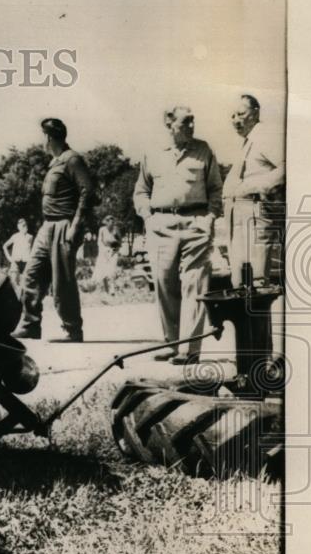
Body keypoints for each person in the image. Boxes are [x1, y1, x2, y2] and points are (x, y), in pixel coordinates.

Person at [133, 106, 223, 365]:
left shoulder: (204, 150)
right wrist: (148, 217)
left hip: (196, 223)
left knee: (195, 284)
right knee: (164, 283)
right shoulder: (152, 153)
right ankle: (173, 344)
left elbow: (216, 188)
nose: (192, 126)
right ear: (169, 123)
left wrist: (210, 217)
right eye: (186, 122)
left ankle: (189, 350)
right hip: (161, 224)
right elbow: (141, 191)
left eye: (193, 121)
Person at [12, 118, 95, 342]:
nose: (41, 140)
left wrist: (76, 225)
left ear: (49, 137)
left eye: (42, 136)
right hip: (47, 226)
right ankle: (30, 324)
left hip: (64, 225)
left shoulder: (72, 159)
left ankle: (72, 329)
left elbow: (88, 191)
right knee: (31, 274)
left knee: (62, 281)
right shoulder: (54, 163)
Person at [224, 94, 285, 286]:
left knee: (257, 283)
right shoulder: (248, 141)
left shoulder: (266, 137)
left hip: (256, 213)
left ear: (256, 113)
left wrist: (255, 187)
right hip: (239, 216)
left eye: (241, 114)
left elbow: (288, 167)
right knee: (241, 283)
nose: (236, 120)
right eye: (232, 116)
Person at [2, 218, 34, 295]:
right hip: (15, 262)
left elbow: (32, 249)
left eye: (25, 225)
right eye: (22, 226)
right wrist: (9, 259)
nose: (24, 227)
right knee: (13, 283)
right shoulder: (15, 236)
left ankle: (24, 300)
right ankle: (13, 299)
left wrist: (31, 259)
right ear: (18, 227)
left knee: (26, 283)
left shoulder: (30, 237)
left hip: (26, 262)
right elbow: (5, 246)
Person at [92, 215, 122, 293]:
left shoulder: (115, 230)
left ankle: (112, 289)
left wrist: (115, 246)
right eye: (110, 222)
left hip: (113, 252)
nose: (112, 224)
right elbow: (99, 241)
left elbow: (120, 242)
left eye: (113, 222)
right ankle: (106, 290)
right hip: (103, 252)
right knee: (103, 271)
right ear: (106, 222)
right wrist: (103, 251)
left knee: (112, 270)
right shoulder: (102, 230)